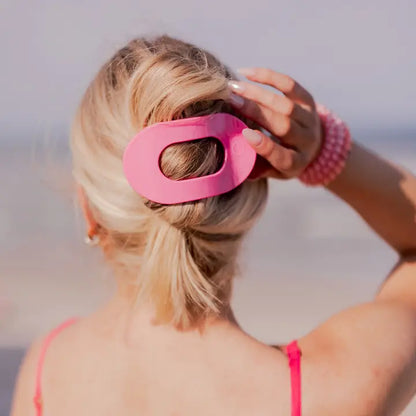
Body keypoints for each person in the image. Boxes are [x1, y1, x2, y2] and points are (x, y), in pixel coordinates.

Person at [10, 34, 416, 416]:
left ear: (89, 210)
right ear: (248, 193)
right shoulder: (329, 390)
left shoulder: (45, 372)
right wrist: (324, 151)